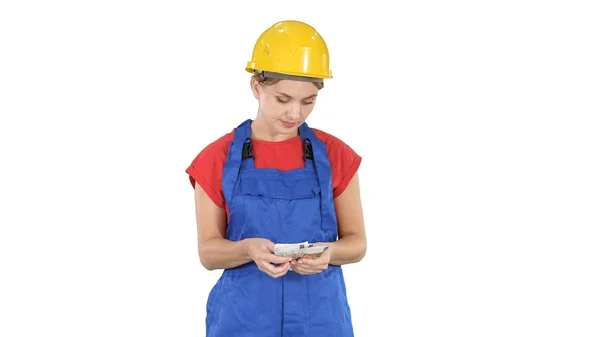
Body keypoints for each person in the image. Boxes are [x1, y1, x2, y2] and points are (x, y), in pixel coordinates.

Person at [185, 20, 367, 337]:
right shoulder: (216, 158)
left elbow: (357, 244)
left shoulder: (336, 155)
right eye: (283, 99)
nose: (295, 113)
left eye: (308, 101)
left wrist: (329, 253)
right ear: (257, 86)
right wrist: (247, 250)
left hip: (321, 321)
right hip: (243, 322)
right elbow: (208, 253)